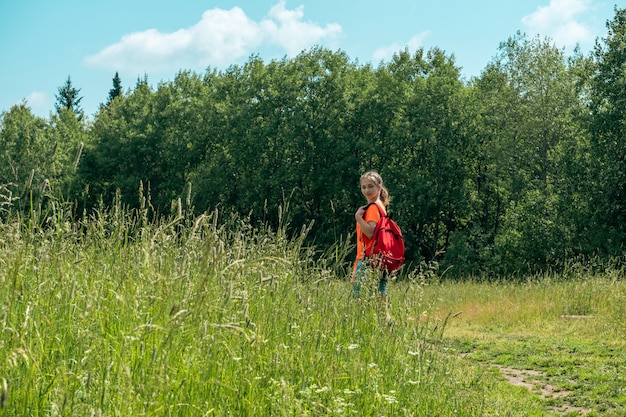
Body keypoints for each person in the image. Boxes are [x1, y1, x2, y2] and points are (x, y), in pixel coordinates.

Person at [351, 170, 391, 321]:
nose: (366, 190)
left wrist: (358, 218)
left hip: (368, 259)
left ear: (379, 187)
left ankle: (365, 329)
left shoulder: (373, 208)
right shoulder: (381, 206)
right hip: (380, 259)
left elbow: (370, 232)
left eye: (370, 186)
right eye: (363, 187)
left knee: (360, 299)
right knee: (381, 299)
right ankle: (386, 329)